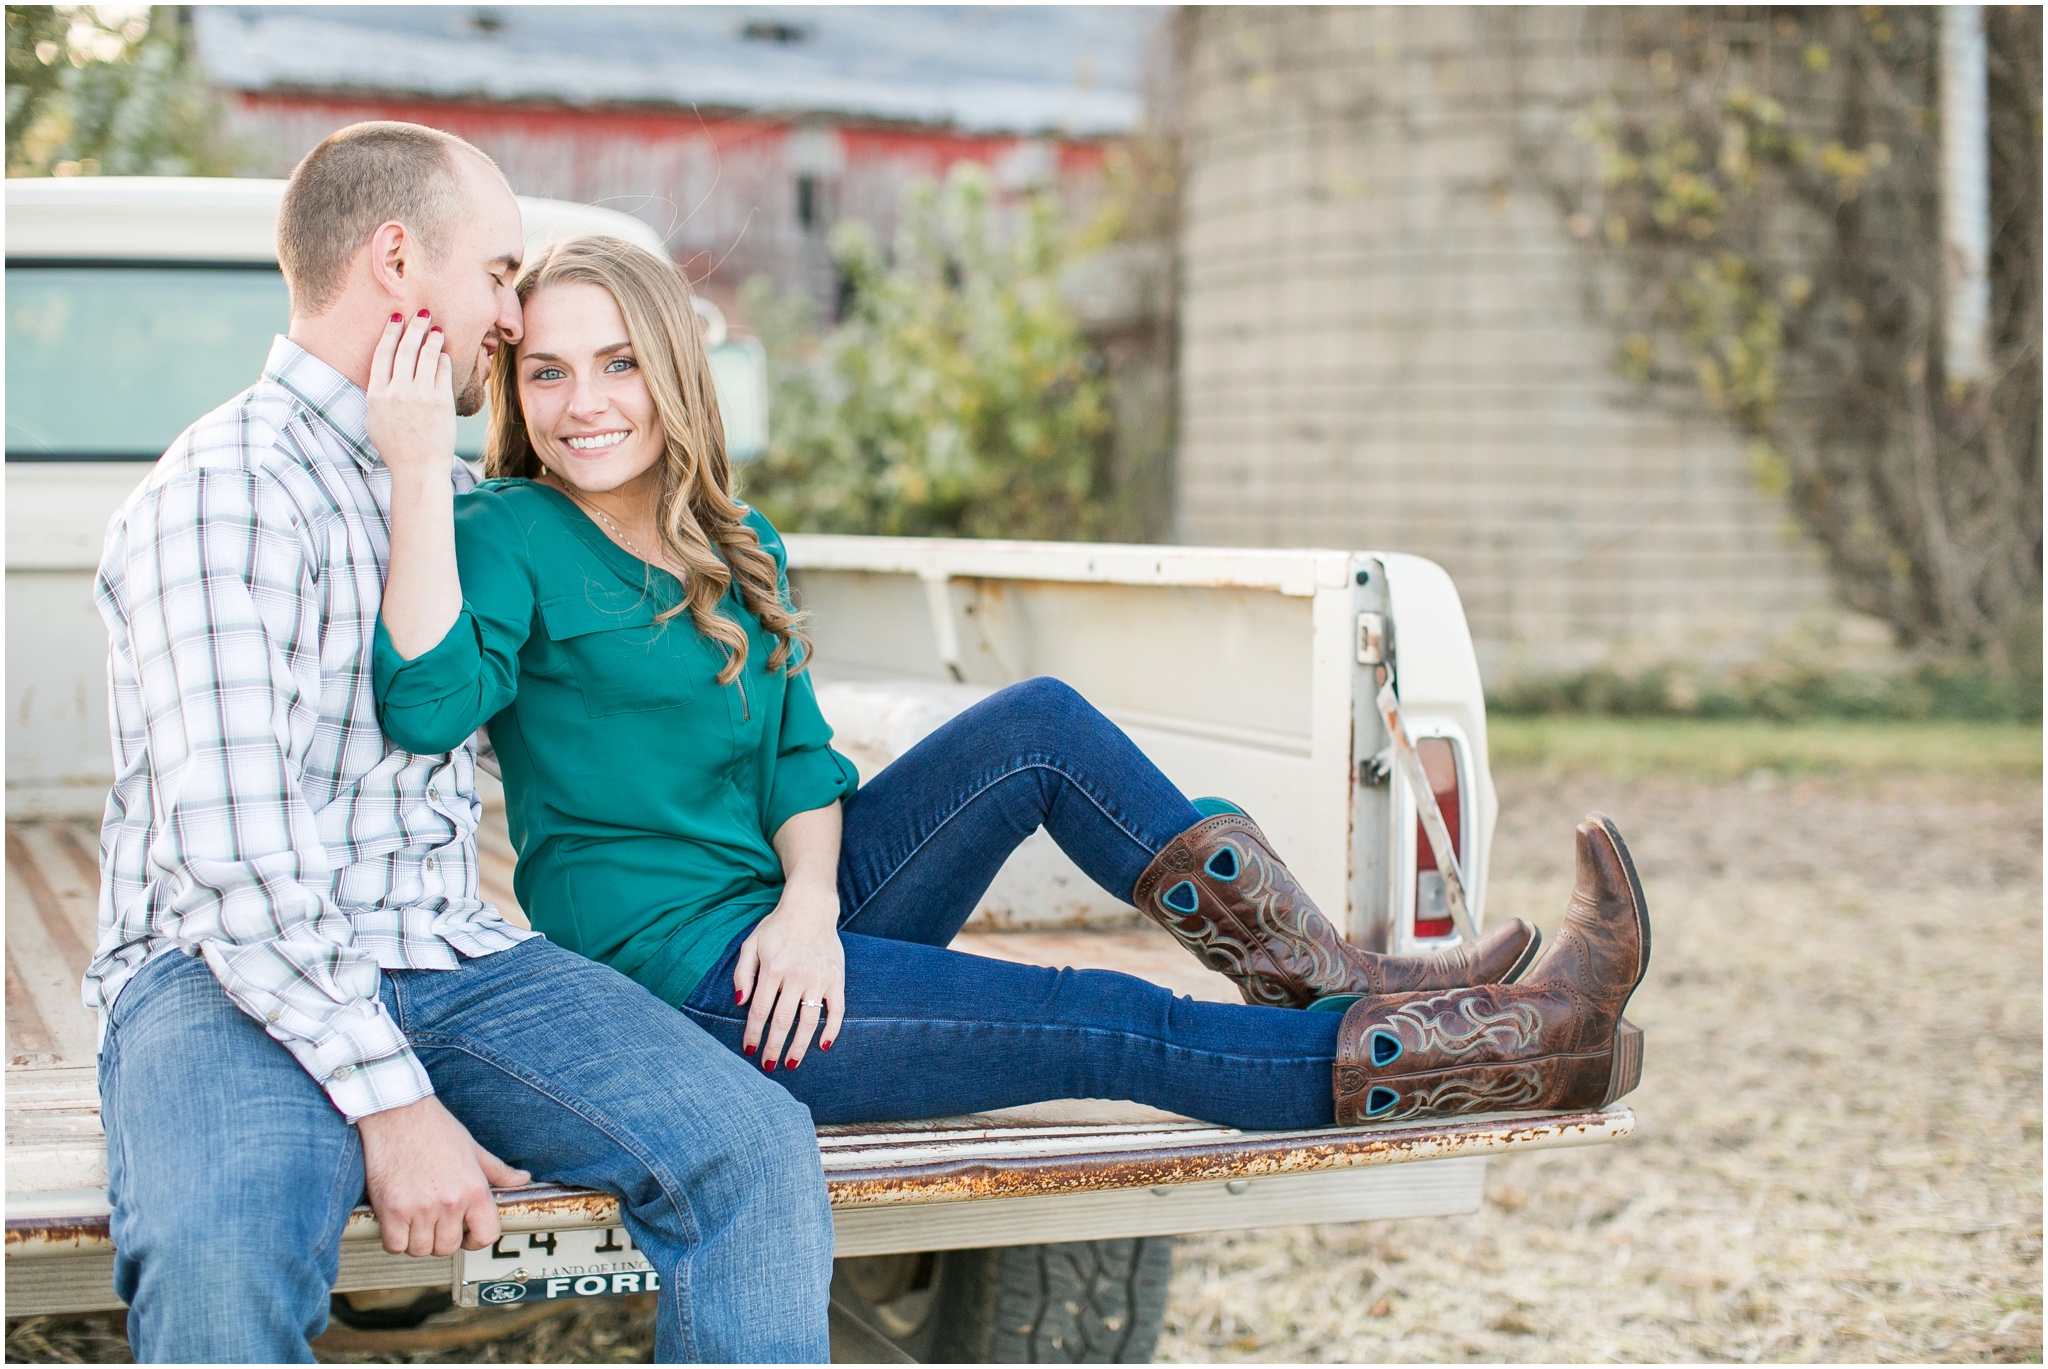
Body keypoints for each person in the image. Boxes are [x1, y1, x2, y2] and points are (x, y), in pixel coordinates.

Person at [369, 232, 1652, 1138]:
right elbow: (425, 706)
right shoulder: (504, 534)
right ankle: (1519, 1048)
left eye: (617, 363)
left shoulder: (729, 537)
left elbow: (800, 767)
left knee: (1036, 727)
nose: (584, 402)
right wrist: (421, 470)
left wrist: (812, 904)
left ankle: (1329, 974)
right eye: (547, 371)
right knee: (1103, 1022)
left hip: (788, 926)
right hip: (696, 993)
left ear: (672, 374)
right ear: (517, 393)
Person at [90, 124, 832, 1364]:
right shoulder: (230, 488)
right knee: (224, 1245)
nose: (508, 314)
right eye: (496, 273)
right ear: (396, 260)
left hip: (440, 945)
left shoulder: (437, 487)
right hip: (222, 968)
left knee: (752, 1145)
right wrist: (394, 1102)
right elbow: (231, 862)